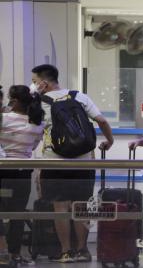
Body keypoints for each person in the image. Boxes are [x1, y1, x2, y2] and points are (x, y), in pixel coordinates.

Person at [32, 64, 114, 263]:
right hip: (83, 161)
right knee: (82, 205)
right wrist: (109, 141)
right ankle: (83, 250)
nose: (33, 85)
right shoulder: (79, 97)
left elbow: (34, 130)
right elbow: (102, 121)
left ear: (44, 82)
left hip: (54, 162)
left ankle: (66, 251)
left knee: (60, 207)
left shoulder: (40, 103)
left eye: (34, 82)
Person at [0, 85, 45, 266]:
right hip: (23, 173)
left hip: (3, 171)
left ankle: (2, 251)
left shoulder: (3, 119)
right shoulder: (37, 123)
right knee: (17, 214)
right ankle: (15, 253)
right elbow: (33, 147)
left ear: (15, 101)